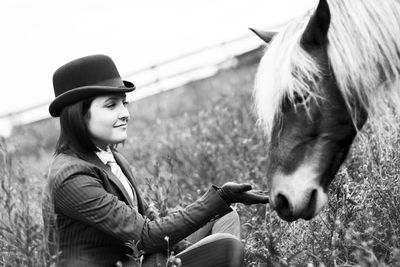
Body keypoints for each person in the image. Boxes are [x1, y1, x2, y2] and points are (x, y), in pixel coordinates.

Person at [42, 54, 269, 267]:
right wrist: (220, 197)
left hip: (146, 259)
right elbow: (145, 236)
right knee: (224, 246)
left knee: (225, 216)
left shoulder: (112, 158)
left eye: (124, 103)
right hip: (137, 259)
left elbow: (149, 221)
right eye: (111, 105)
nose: (125, 113)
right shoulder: (71, 177)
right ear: (78, 115)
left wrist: (187, 245)